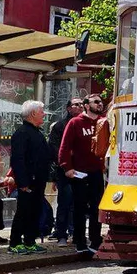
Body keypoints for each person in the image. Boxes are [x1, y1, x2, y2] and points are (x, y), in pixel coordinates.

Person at [58, 94, 106, 254]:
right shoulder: (75, 123)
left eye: (101, 102)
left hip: (97, 172)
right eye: (96, 102)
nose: (100, 104)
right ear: (86, 105)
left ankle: (95, 240)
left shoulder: (103, 122)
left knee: (96, 208)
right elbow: (64, 147)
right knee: (79, 208)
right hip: (79, 173)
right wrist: (67, 168)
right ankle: (80, 242)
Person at [8, 100, 51, 255]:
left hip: (38, 181)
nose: (44, 114)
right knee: (23, 212)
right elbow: (17, 160)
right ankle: (14, 242)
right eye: (41, 111)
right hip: (28, 182)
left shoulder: (37, 132)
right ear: (33, 113)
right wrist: (23, 182)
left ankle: (29, 241)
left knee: (35, 211)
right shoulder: (22, 133)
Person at [48, 97, 84, 246]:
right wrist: (65, 166)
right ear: (69, 108)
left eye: (81, 104)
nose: (80, 106)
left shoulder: (86, 124)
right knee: (64, 202)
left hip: (83, 171)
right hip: (65, 171)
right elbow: (54, 149)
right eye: (76, 104)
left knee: (80, 204)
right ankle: (61, 234)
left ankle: (77, 234)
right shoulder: (60, 126)